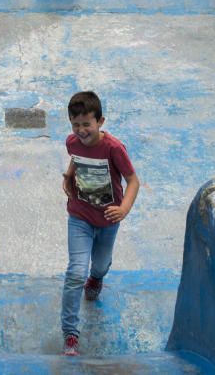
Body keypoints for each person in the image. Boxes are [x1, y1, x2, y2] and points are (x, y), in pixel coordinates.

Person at [60, 91, 139, 356]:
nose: (81, 130)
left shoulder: (114, 148)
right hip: (79, 216)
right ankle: (70, 334)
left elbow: (133, 180)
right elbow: (77, 156)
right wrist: (69, 176)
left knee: (101, 265)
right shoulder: (72, 142)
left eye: (86, 124)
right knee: (75, 272)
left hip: (107, 220)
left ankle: (96, 278)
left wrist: (124, 209)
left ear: (100, 121)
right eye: (75, 124)